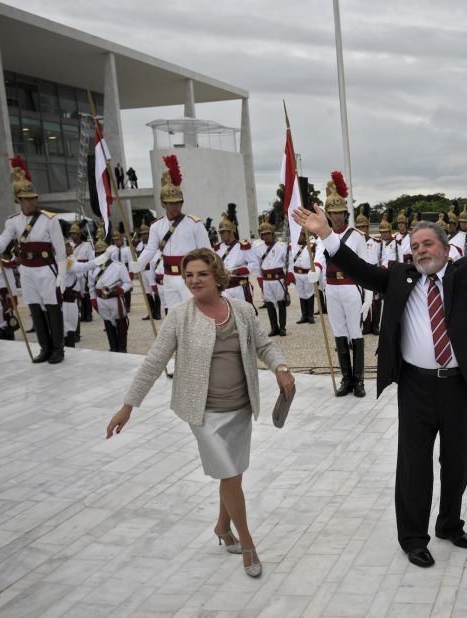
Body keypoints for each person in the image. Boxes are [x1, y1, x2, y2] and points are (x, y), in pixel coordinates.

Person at [292, 197, 467, 568]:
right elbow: (358, 269)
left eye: (427, 244)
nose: (421, 251)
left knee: (457, 462)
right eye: (415, 247)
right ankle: (413, 537)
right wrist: (325, 233)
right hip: (416, 387)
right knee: (414, 465)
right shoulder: (398, 279)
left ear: (444, 246)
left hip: (460, 386)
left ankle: (450, 524)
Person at [106, 248, 294, 578]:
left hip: (239, 407)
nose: (194, 280)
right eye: (188, 275)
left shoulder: (243, 310)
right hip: (203, 412)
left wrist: (280, 366)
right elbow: (153, 362)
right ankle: (247, 543)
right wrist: (128, 406)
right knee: (231, 474)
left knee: (230, 473)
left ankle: (222, 526)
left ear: (217, 276)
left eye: (202, 274)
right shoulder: (180, 316)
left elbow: (263, 345)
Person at [0, 157, 67, 363]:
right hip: (27, 271)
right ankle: (44, 347)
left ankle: (58, 348)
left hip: (46, 269)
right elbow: (6, 238)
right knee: (34, 308)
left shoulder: (50, 220)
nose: (32, 201)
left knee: (52, 308)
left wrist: (62, 276)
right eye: (27, 198)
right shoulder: (13, 221)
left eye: (34, 198)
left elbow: (60, 252)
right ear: (19, 201)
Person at [313, 172, 369, 397]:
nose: (337, 217)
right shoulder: (321, 236)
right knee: (339, 332)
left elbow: (366, 268)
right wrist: (315, 271)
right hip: (332, 289)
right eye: (333, 213)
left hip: (351, 287)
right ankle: (346, 378)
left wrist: (369, 298)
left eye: (340, 212)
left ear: (345, 212)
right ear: (327, 214)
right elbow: (318, 257)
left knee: (355, 332)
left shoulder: (356, 236)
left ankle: (359, 379)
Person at [131, 155, 211, 310]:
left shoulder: (194, 223)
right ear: (163, 204)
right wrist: (140, 263)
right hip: (168, 277)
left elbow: (207, 252)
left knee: (193, 313)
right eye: (171, 204)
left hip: (190, 276)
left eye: (178, 203)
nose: (175, 207)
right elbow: (150, 249)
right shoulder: (156, 226)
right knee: (175, 315)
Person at [254, 220, 289, 337]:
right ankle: (274, 328)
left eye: (268, 233)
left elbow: (288, 263)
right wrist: (260, 279)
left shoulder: (281, 246)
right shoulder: (257, 248)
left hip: (278, 279)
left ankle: (283, 328)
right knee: (269, 304)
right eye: (263, 234)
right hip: (266, 280)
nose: (266, 236)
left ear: (273, 233)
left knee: (281, 303)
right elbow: (256, 265)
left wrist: (288, 277)